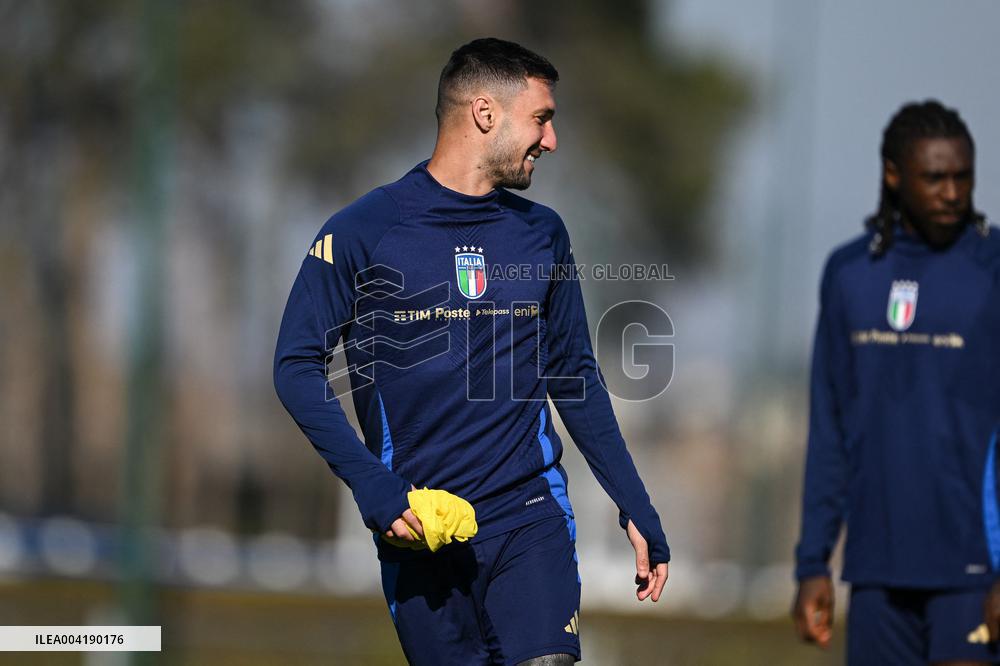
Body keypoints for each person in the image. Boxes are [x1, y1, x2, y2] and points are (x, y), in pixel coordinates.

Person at [274, 38, 669, 666]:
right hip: (418, 533)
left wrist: (633, 501)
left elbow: (574, 377)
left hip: (528, 515)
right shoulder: (361, 232)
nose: (552, 139)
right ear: (486, 112)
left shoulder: (543, 233)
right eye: (542, 118)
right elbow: (295, 368)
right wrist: (376, 489)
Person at [793, 99, 1000, 665]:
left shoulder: (992, 267)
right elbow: (830, 430)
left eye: (963, 177)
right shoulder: (850, 273)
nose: (952, 193)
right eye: (935, 177)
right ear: (894, 174)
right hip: (877, 571)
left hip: (974, 575)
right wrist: (813, 563)